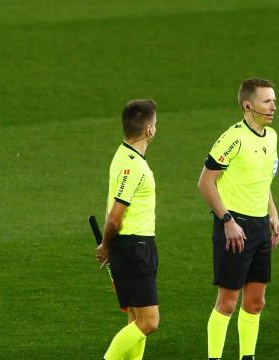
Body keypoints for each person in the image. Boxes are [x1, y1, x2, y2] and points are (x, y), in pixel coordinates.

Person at [198, 78, 279, 360]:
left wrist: (272, 213)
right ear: (248, 105)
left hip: (259, 227)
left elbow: (262, 179)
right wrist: (227, 221)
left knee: (256, 302)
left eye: (273, 101)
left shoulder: (271, 137)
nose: (273, 107)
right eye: (266, 102)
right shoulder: (232, 138)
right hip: (235, 227)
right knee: (228, 302)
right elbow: (205, 182)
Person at [96, 99, 160, 360]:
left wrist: (109, 245)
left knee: (135, 318)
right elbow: (115, 218)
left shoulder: (122, 154)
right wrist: (105, 244)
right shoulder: (133, 165)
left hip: (129, 247)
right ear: (148, 130)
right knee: (149, 321)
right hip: (136, 247)